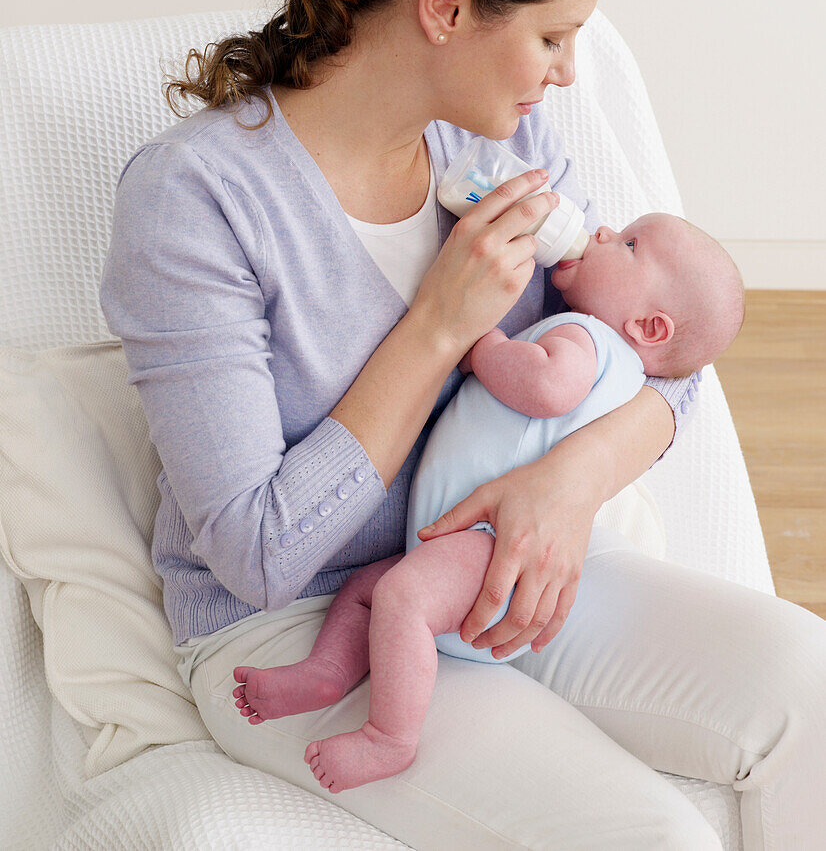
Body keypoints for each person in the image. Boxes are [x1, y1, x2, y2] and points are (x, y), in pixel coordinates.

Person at [99, 0, 826, 850]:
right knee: (648, 834)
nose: (568, 74)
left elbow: (662, 360)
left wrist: (566, 488)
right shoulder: (195, 201)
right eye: (551, 35)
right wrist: (439, 323)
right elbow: (258, 553)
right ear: (447, 3)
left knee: (813, 692)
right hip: (306, 627)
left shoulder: (496, 134)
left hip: (502, 565)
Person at [230, 212, 746, 793]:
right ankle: (327, 673)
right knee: (369, 588)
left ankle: (389, 738)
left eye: (629, 244)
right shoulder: (615, 366)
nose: (601, 231)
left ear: (650, 328)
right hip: (470, 546)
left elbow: (547, 387)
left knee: (399, 596)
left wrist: (483, 347)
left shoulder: (587, 338)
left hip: (490, 545)